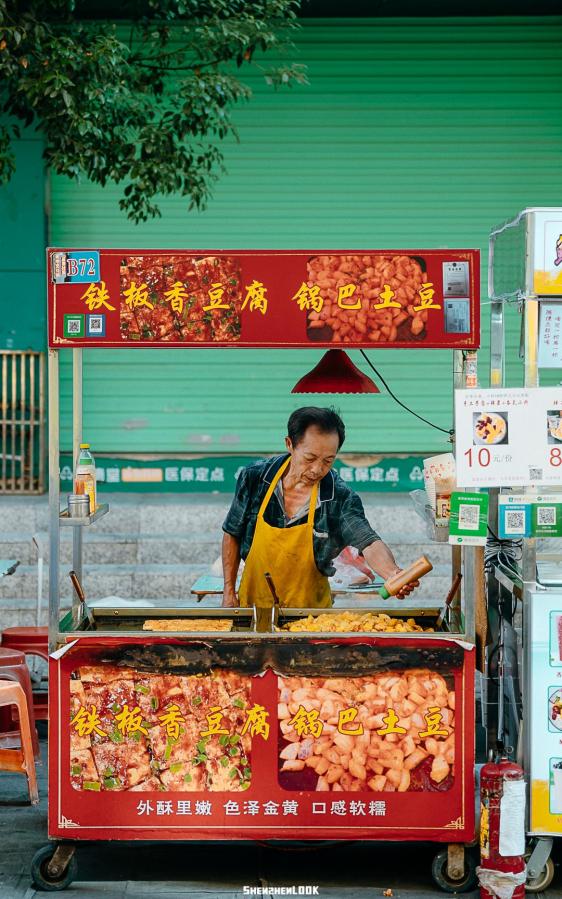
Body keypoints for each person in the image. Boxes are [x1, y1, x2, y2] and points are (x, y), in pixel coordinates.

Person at [221, 406, 419, 609]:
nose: (317, 469)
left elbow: (368, 541)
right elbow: (232, 532)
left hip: (312, 617)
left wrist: (392, 573)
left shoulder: (339, 496)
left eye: (328, 461)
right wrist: (228, 592)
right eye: (310, 458)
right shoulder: (255, 478)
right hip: (254, 608)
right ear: (290, 444)